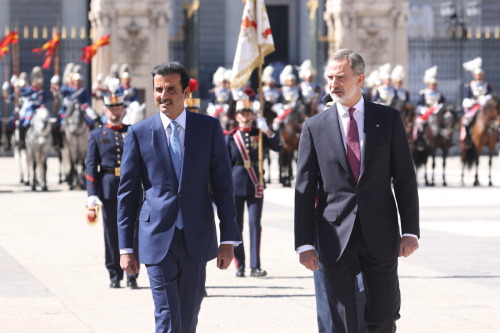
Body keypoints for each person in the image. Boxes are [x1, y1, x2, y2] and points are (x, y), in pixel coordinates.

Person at [294, 49, 419, 333]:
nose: (333, 84)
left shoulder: (388, 119)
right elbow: (304, 188)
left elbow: (404, 179)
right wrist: (304, 243)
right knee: (343, 321)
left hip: (381, 232)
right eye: (330, 78)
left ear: (360, 78)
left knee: (385, 316)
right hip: (333, 236)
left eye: (341, 77)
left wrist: (410, 230)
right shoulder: (314, 127)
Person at [117, 62, 241, 332]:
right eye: (158, 89)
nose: (164, 95)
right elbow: (127, 194)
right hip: (157, 237)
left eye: (171, 89)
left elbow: (223, 187)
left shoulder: (208, 128)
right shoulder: (138, 133)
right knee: (167, 316)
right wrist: (126, 247)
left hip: (197, 236)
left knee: (188, 317)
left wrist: (229, 239)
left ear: (185, 92)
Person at [85, 78, 139, 289]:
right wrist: (91, 193)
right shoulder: (97, 134)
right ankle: (114, 273)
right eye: (111, 108)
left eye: (118, 107)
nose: (115, 111)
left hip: (131, 187)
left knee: (133, 231)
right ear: (105, 111)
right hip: (107, 188)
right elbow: (91, 166)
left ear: (123, 110)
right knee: (111, 233)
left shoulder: (133, 131)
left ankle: (132, 273)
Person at [225, 96, 282, 278]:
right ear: (237, 116)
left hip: (255, 183)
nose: (245, 116)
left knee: (255, 224)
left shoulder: (259, 133)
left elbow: (278, 147)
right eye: (242, 113)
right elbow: (225, 164)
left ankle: (255, 265)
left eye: (248, 112)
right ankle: (240, 264)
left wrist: (268, 131)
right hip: (236, 184)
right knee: (237, 226)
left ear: (253, 115)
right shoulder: (231, 137)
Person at [461, 57, 493, 142]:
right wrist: (472, 102)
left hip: (484, 107)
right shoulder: (470, 85)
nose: (479, 76)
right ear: (474, 75)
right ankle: (468, 137)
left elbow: (489, 95)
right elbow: (467, 97)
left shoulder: (487, 85)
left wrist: (485, 99)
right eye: (477, 75)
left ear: (483, 75)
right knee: (467, 120)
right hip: (474, 106)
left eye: (480, 74)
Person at [413, 65, 445, 141]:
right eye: (432, 84)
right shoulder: (424, 93)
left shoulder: (439, 93)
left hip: (437, 113)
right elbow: (419, 104)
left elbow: (444, 103)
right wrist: (424, 110)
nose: (433, 86)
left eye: (435, 84)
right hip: (427, 112)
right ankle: (420, 139)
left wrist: (439, 107)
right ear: (428, 84)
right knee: (420, 123)